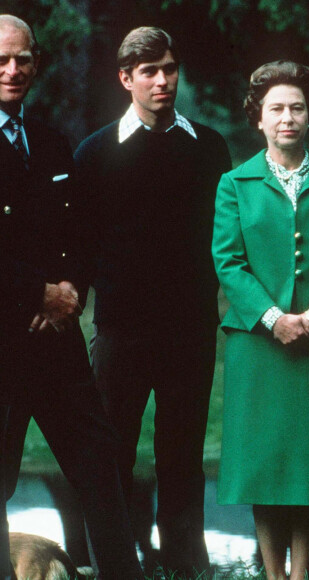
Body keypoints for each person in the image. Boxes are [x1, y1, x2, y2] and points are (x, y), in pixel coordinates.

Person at [74, 27, 231, 576]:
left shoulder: (208, 147)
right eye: (149, 72)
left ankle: (186, 564)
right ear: (125, 79)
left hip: (190, 331)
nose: (162, 81)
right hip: (120, 332)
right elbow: (82, 246)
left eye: (168, 68)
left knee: (181, 458)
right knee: (111, 454)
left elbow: (222, 239)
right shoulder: (94, 154)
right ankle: (114, 564)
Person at [212, 60, 309, 580]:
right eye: (276, 108)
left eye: (297, 108)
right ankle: (273, 576)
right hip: (259, 346)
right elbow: (229, 262)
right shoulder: (235, 183)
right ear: (258, 117)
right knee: (265, 467)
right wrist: (274, 317)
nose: (287, 118)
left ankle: (302, 575)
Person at [0, 14, 144, 580]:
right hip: (3, 343)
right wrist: (36, 295)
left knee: (99, 467)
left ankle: (120, 573)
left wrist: (71, 291)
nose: (13, 70)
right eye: (2, 60)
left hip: (57, 345)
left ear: (38, 62)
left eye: (23, 59)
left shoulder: (54, 142)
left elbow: (82, 235)